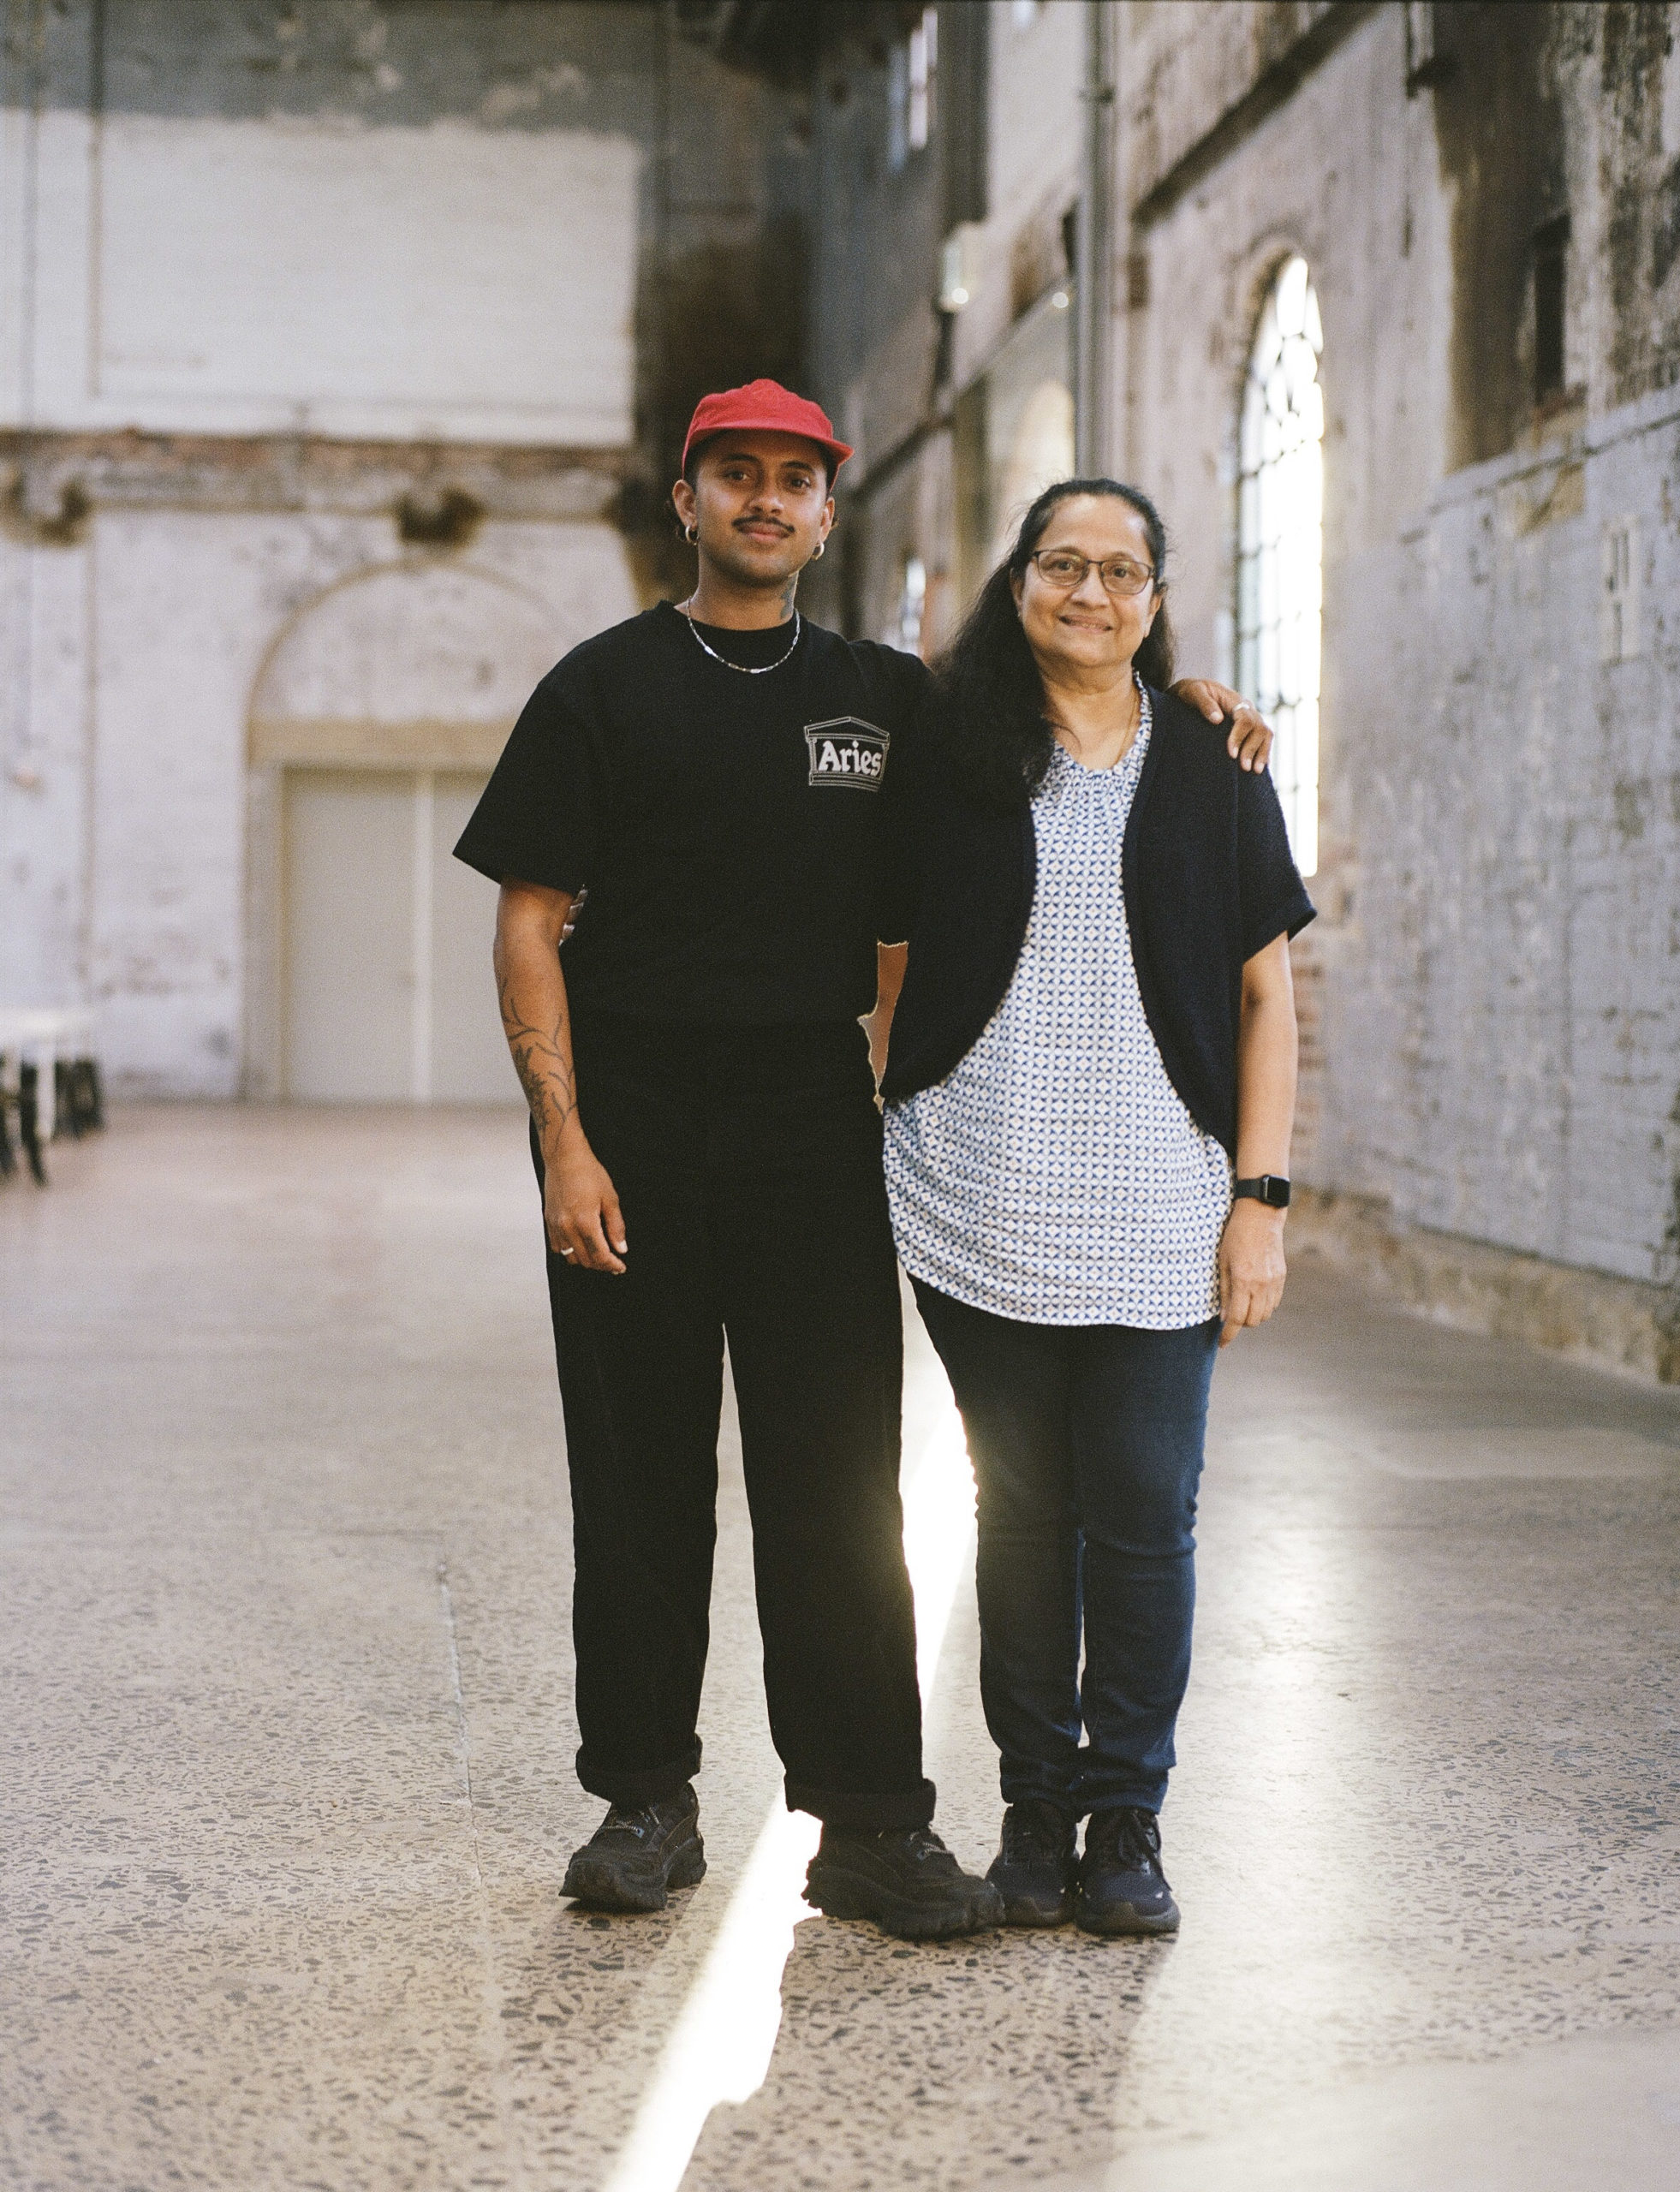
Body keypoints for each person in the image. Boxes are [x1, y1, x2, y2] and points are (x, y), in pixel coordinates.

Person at [453, 381, 1272, 1942]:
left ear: (829, 513)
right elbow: (527, 922)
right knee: (637, 1478)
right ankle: (646, 1801)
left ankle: (869, 1827)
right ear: (685, 501)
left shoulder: (891, 700)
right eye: (734, 477)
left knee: (839, 1483)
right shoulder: (600, 689)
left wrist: (1203, 698)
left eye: (793, 481)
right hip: (629, 1107)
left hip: (813, 1115)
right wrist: (563, 1141)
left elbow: (1072, 697)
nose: (765, 502)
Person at [879, 476, 1314, 1937]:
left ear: (1157, 595)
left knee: (1143, 1518)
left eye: (1122, 571)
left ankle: (1126, 1818)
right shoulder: (954, 749)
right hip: (981, 1190)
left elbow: (1267, 995)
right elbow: (888, 940)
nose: (1091, 591)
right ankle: (1033, 1808)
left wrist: (1259, 1198)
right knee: (1021, 1516)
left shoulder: (1213, 761)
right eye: (1063, 564)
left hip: (1160, 1204)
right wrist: (891, 1085)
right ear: (1020, 585)